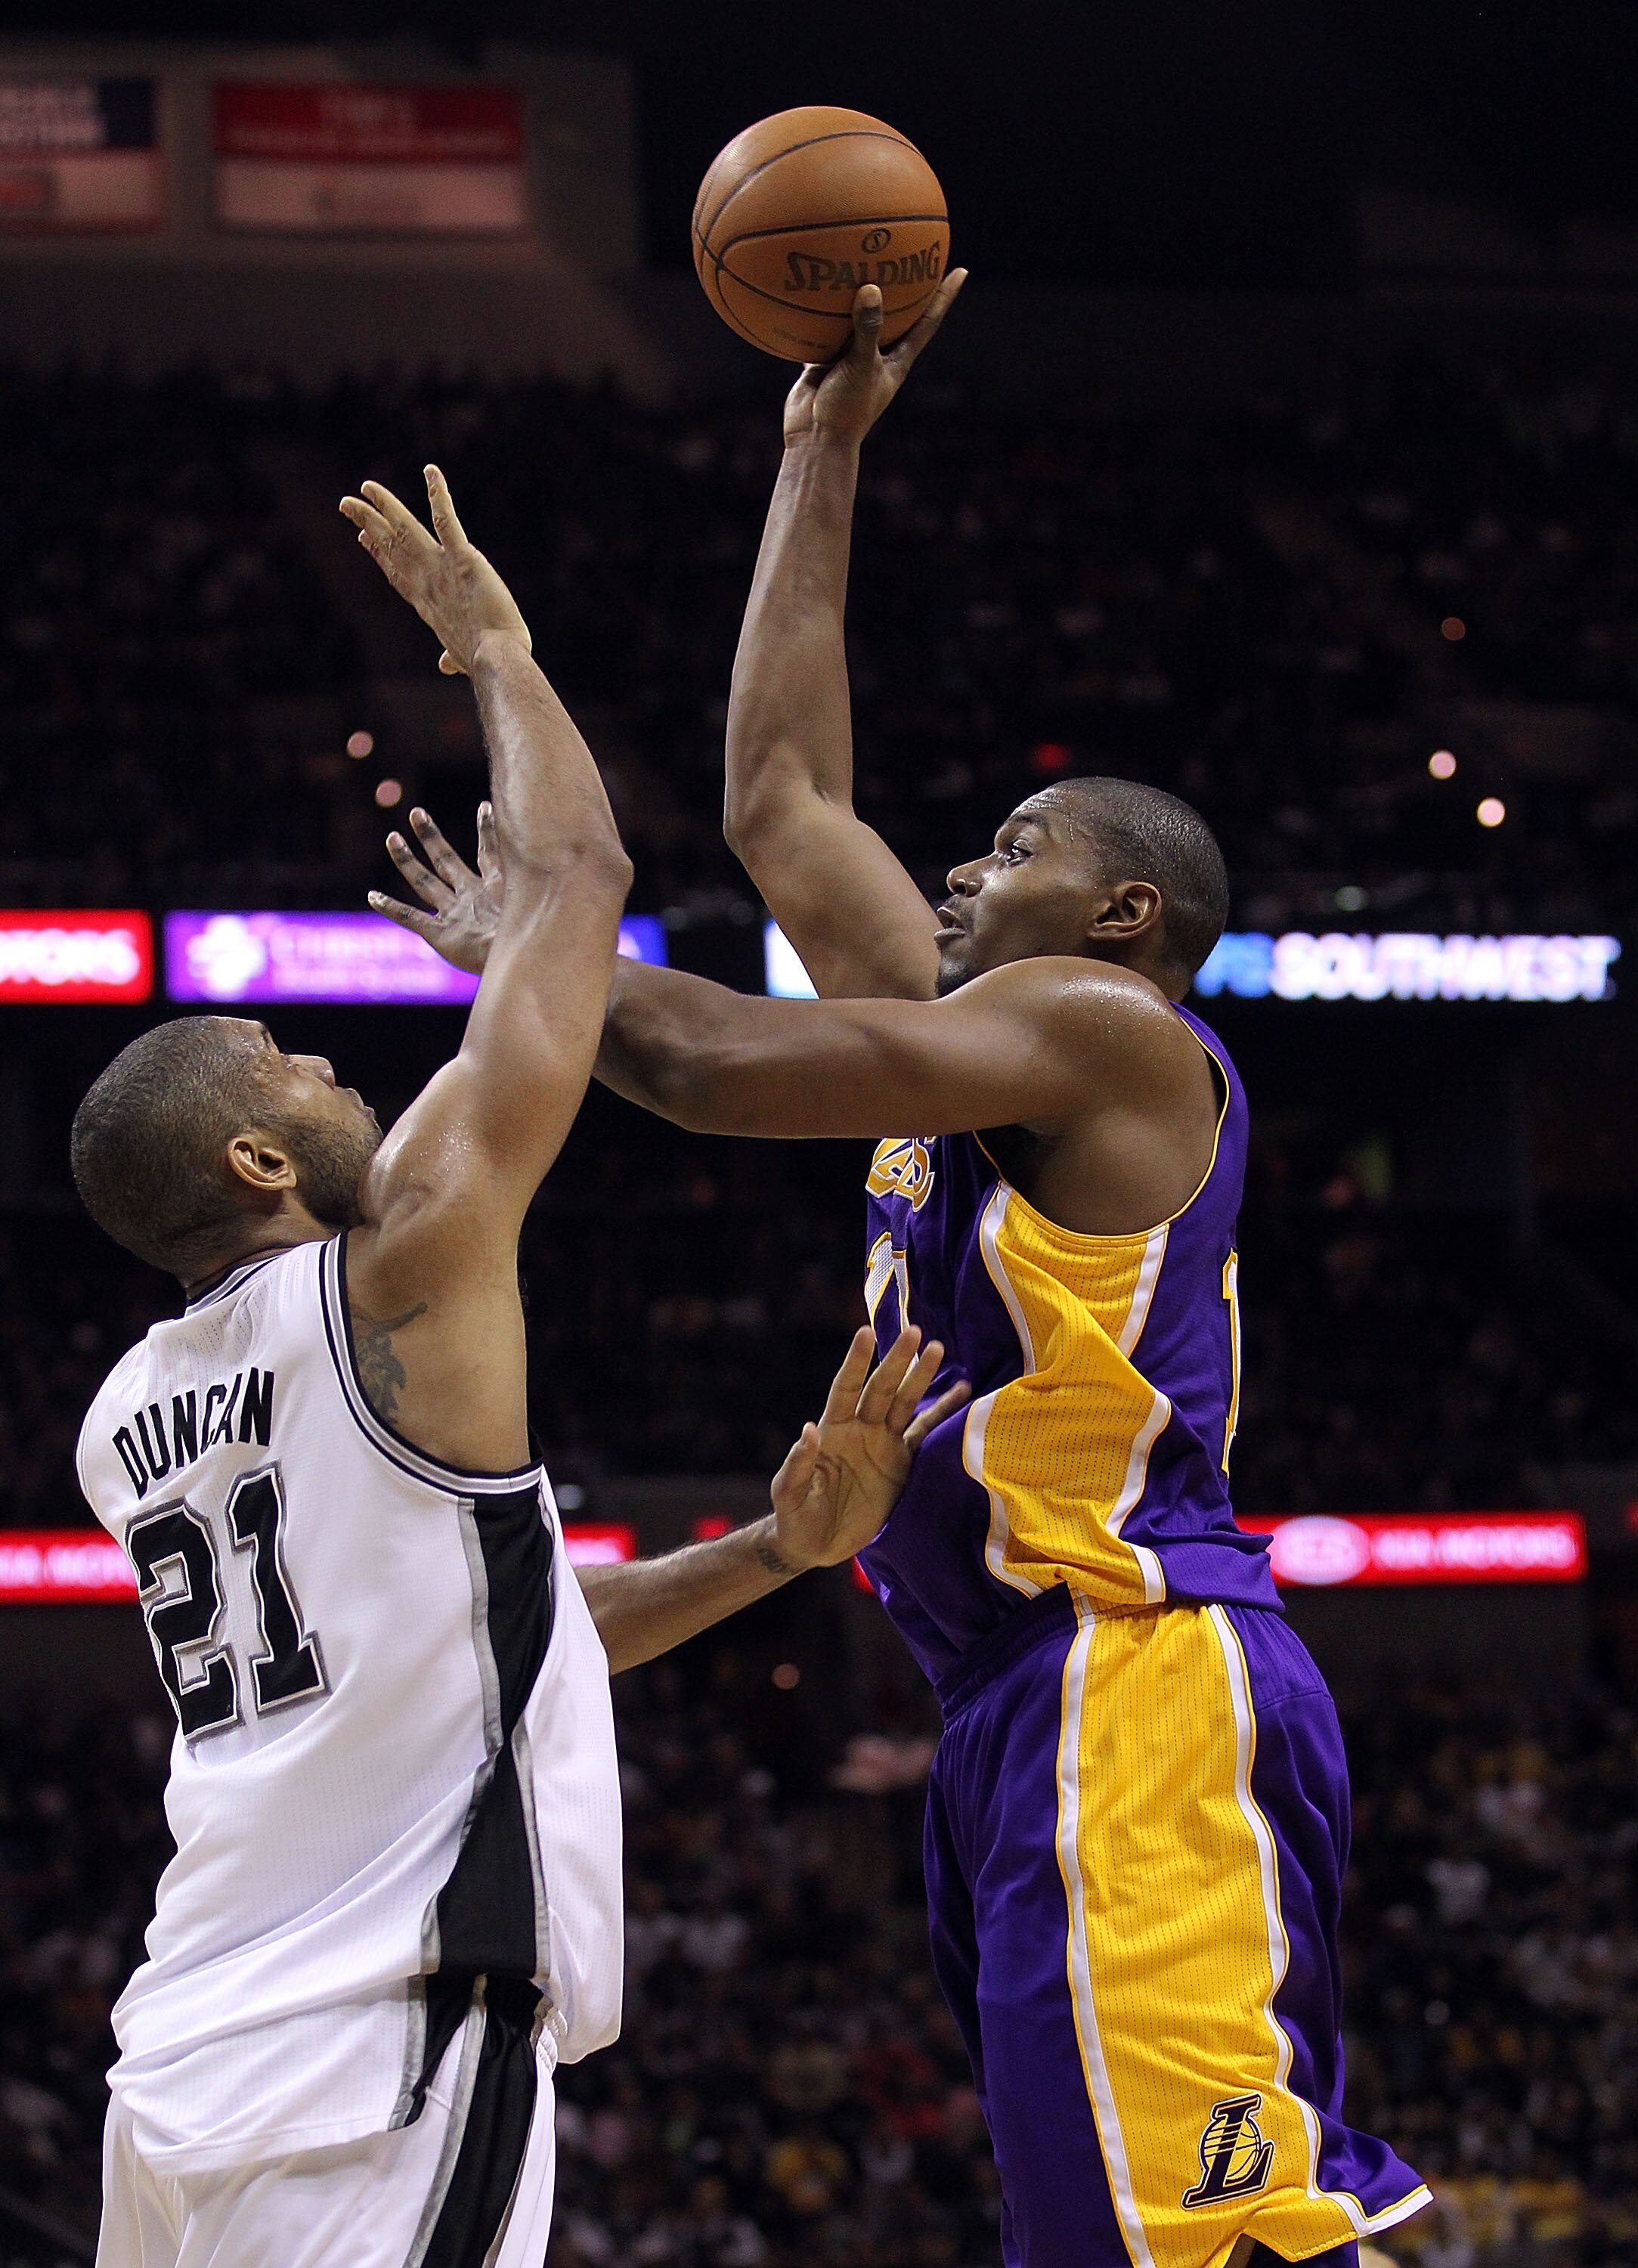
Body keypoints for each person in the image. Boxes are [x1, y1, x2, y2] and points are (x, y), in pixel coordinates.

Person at [380, 291, 1431, 2268]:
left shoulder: (1100, 1036)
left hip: (1125, 1659)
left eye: (1014, 844)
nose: (961, 866)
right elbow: (780, 804)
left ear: (1123, 917)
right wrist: (819, 443)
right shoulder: (986, 1042)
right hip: (1005, 1704)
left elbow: (687, 1059)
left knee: (1227, 2238)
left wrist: (535, 939)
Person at [72, 466, 965, 2268]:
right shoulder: (397, 1266)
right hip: (374, 2054)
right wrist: (489, 642)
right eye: (292, 1071)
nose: (332, 1075)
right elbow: (577, 874)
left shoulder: (122, 1424)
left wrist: (778, 1559)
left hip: (180, 2072)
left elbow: (495, 1631)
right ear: (256, 1165)